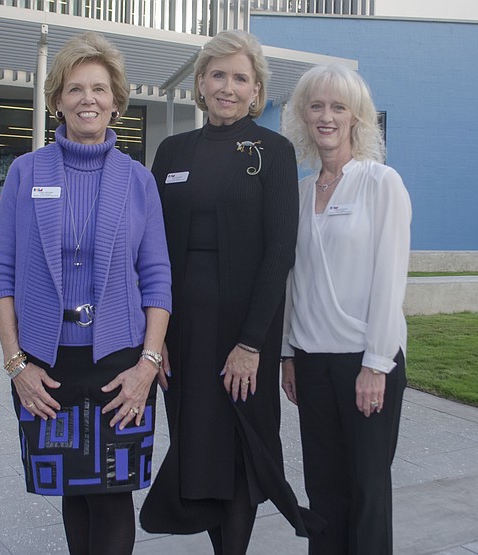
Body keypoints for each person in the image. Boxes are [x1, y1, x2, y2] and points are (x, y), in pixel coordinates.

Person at [0, 32, 171, 555]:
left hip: (120, 362)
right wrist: (17, 365)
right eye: (74, 89)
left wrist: (148, 365)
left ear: (116, 100)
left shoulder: (137, 180)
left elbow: (157, 278)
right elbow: (1, 276)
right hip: (47, 362)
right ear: (56, 100)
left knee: (112, 497)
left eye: (99, 88)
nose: (87, 99)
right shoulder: (26, 173)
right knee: (72, 489)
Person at [140, 29, 323, 553]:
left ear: (256, 91)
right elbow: (151, 253)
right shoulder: (172, 151)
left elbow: (279, 253)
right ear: (200, 84)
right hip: (182, 330)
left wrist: (251, 344)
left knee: (241, 443)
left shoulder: (274, 151)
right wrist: (158, 339)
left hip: (245, 330)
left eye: (240, 78)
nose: (227, 86)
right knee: (197, 440)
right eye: (217, 75)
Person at [280, 64, 412, 555]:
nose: (327, 116)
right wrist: (287, 352)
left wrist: (377, 364)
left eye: (338, 107)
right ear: (303, 115)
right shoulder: (298, 191)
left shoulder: (381, 183)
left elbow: (389, 279)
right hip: (311, 363)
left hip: (365, 362)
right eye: (316, 105)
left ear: (357, 117)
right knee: (323, 492)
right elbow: (293, 277)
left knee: (367, 491)